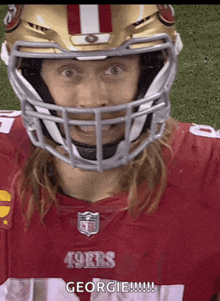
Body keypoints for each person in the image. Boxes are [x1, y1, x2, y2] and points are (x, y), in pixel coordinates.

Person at [0, 4, 219, 301]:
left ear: (149, 71)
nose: (93, 101)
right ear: (33, 77)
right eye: (69, 71)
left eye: (115, 69)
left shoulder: (212, 171)